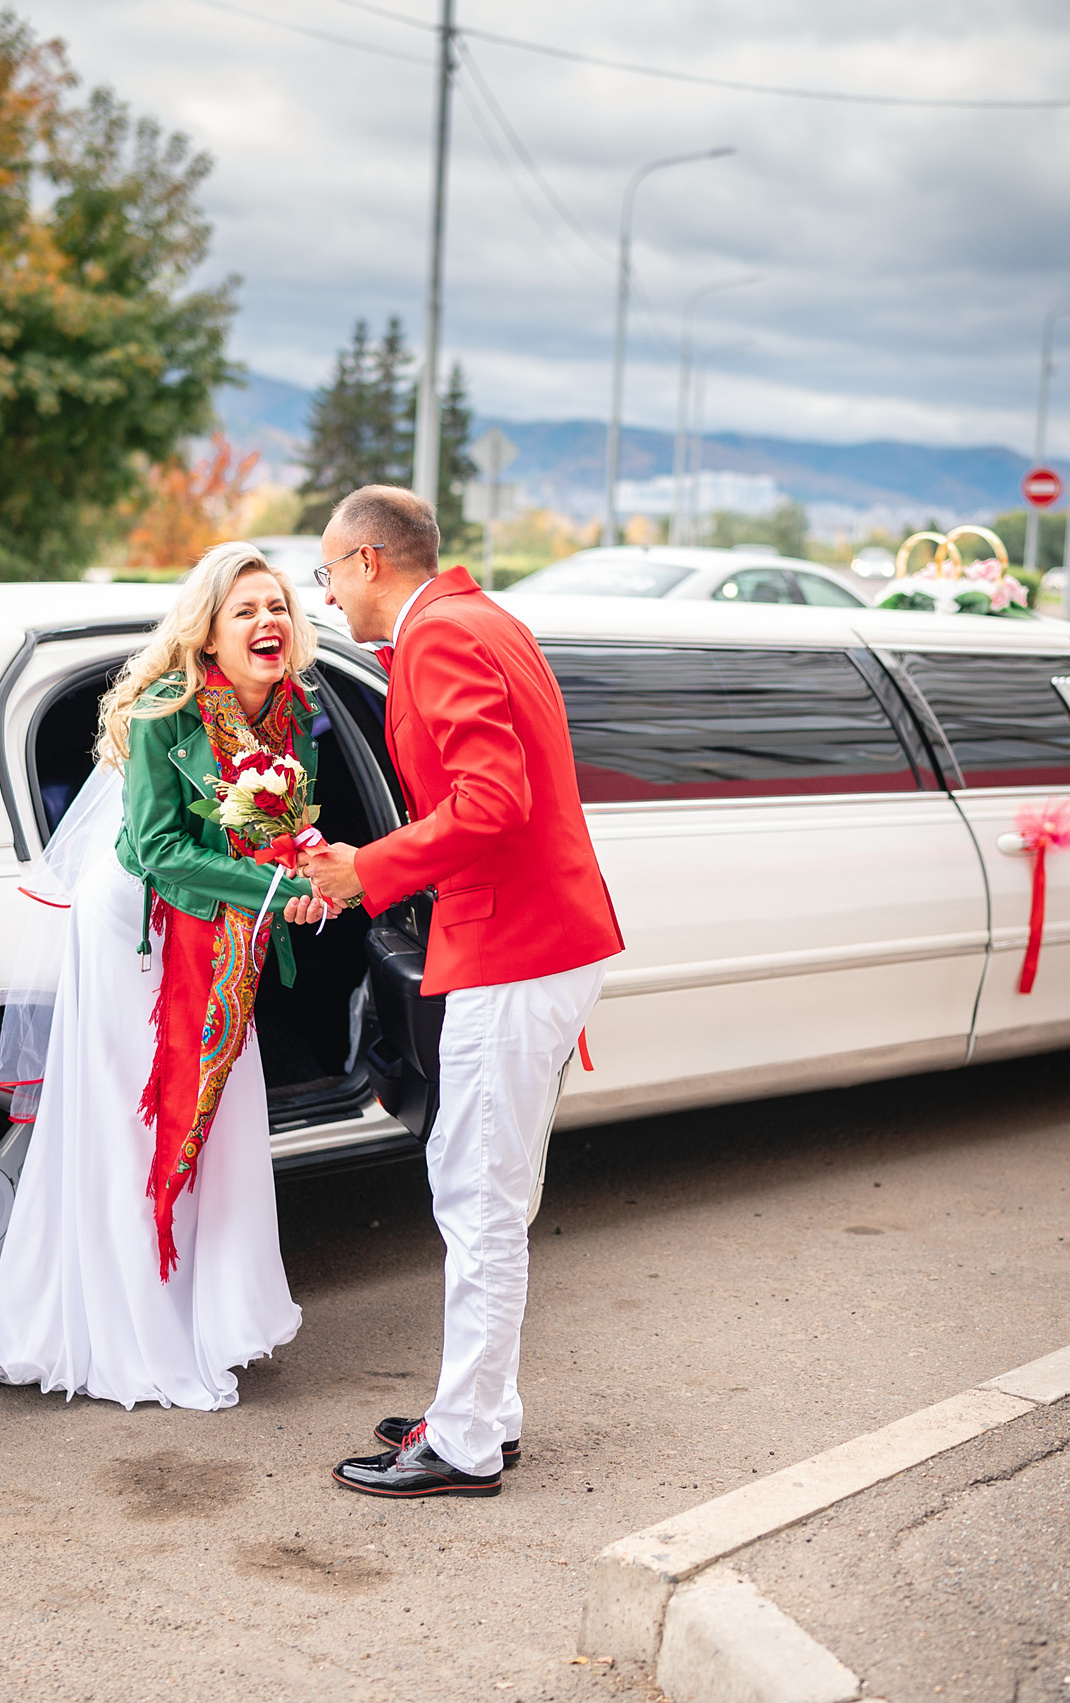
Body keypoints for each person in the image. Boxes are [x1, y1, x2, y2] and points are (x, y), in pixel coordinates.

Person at [303, 485, 624, 1497]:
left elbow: (492, 800)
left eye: (325, 572)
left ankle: (467, 1440)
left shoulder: (439, 636)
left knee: (476, 1192)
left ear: (367, 561)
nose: (326, 594)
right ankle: (480, 1406)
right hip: (545, 934)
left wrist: (370, 869)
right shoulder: (484, 616)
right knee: (482, 1180)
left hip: (514, 944)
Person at [0, 542, 333, 1410]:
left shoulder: (292, 714)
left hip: (226, 936)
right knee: (138, 1120)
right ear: (208, 630)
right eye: (245, 610)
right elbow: (159, 850)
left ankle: (213, 1318)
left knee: (226, 1111)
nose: (267, 622)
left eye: (277, 605)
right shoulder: (165, 711)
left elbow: (279, 835)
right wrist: (276, 885)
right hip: (139, 934)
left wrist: (308, 864)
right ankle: (135, 1333)